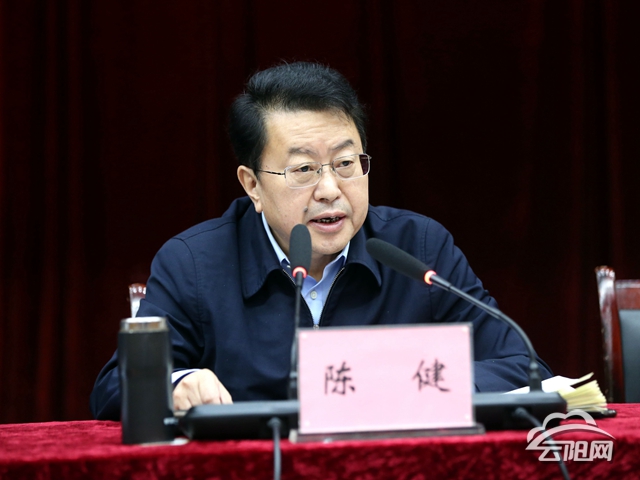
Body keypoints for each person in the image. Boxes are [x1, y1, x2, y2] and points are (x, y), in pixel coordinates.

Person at [90, 62, 552, 420]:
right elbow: (115, 388)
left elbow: (521, 364)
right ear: (252, 185)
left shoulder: (418, 247)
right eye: (304, 169)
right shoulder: (195, 263)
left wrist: (416, 386)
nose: (330, 189)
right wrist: (177, 385)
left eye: (346, 164)